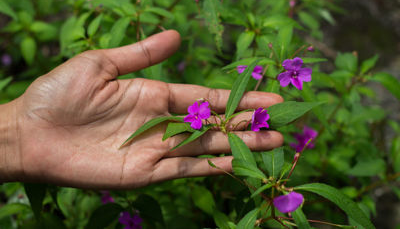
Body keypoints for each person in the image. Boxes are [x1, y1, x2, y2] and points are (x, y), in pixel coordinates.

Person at [0, 30, 283, 189]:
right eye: (195, 116)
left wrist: (19, 131)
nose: (195, 117)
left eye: (196, 116)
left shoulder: (196, 117)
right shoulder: (192, 118)